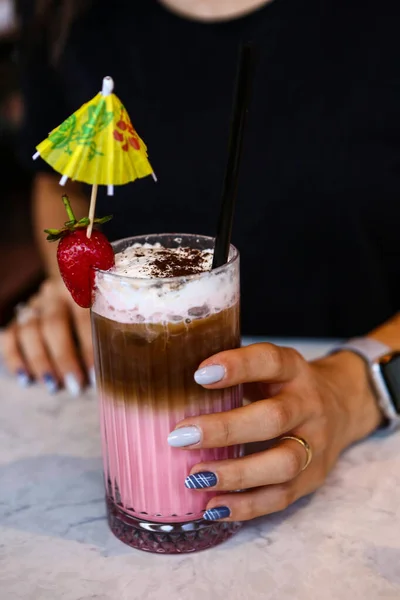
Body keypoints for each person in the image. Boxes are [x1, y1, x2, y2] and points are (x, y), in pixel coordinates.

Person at [2, 0, 400, 522]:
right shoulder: (62, 15)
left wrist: (358, 387)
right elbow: (63, 183)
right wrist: (72, 291)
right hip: (125, 393)